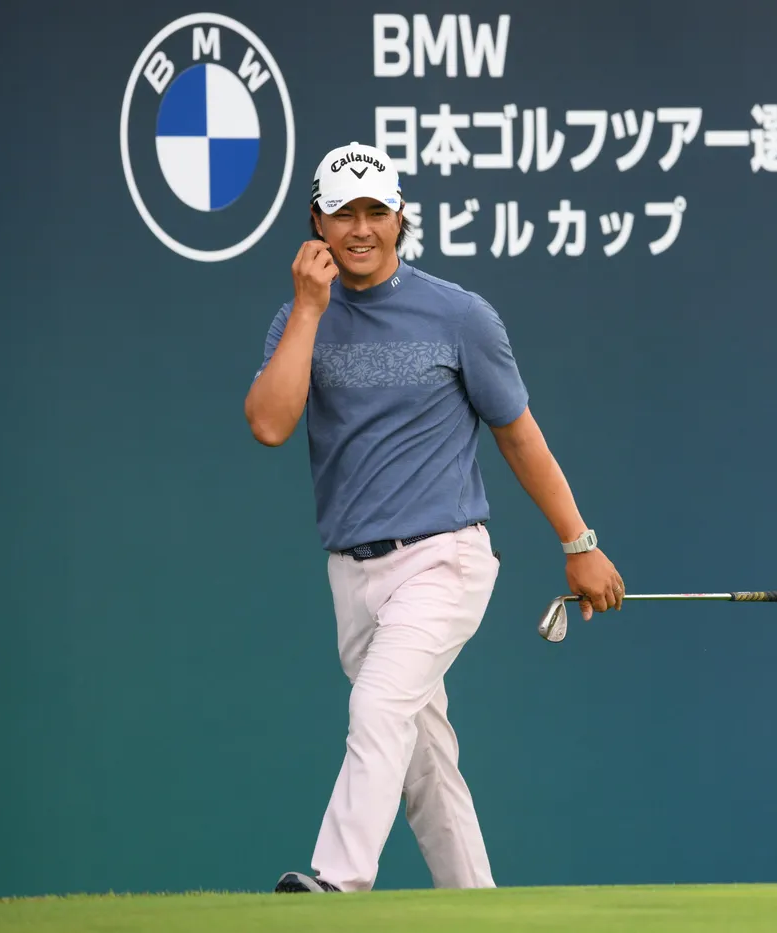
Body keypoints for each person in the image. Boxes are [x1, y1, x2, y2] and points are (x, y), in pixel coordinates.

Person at [244, 141, 625, 894]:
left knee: (377, 705)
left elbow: (519, 435)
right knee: (424, 763)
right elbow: (269, 423)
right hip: (352, 572)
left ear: (400, 216)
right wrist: (311, 310)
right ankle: (476, 907)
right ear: (316, 221)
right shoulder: (299, 318)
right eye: (342, 213)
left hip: (443, 559)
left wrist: (579, 542)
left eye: (375, 211)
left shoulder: (459, 314)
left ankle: (337, 881)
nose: (360, 229)